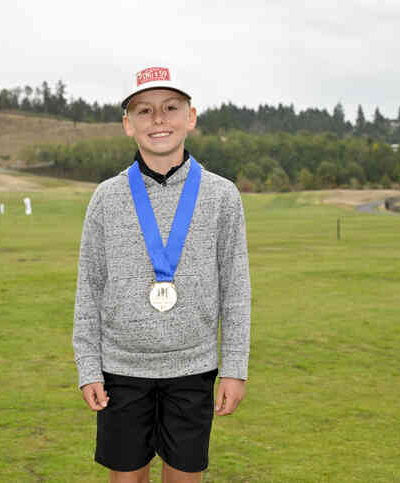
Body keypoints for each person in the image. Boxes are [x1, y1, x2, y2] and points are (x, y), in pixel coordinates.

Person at [73, 66, 251, 483]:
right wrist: (88, 366)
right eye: (144, 110)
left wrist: (234, 368)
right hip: (122, 369)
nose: (158, 119)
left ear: (190, 117)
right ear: (127, 124)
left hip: (193, 369)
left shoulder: (222, 195)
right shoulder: (106, 198)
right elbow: (89, 287)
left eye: (171, 107)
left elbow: (236, 289)